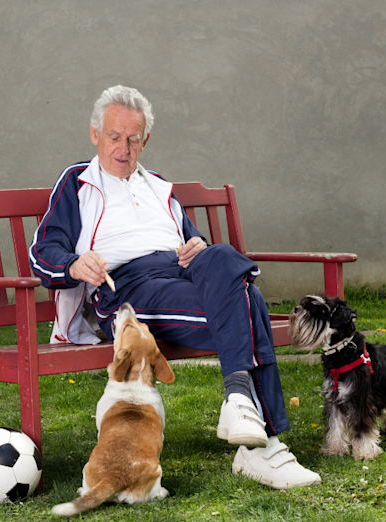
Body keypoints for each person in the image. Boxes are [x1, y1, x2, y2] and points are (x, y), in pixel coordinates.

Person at [29, 85, 320, 490]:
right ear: (95, 134)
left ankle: (241, 405)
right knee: (248, 297)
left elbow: (191, 242)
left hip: (178, 274)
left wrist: (197, 245)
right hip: (129, 289)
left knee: (220, 257)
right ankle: (262, 445)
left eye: (133, 139)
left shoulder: (159, 187)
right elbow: (43, 251)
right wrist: (74, 264)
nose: (123, 148)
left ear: (145, 141)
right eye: (114, 136)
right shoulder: (77, 182)